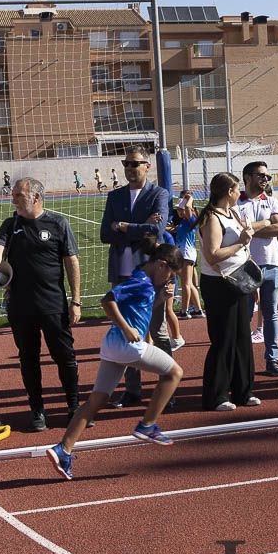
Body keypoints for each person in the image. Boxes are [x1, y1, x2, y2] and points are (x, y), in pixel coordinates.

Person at [46, 236, 186, 480]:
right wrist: (125, 328)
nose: (171, 279)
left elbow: (142, 309)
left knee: (95, 402)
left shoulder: (146, 281)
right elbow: (108, 300)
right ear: (162, 264)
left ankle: (63, 449)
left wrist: (162, 298)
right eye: (171, 274)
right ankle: (148, 425)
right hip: (126, 345)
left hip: (113, 348)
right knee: (175, 373)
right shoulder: (141, 281)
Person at [0, 178, 82, 432]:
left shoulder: (58, 224)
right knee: (29, 360)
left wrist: (76, 300)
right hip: (21, 307)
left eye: (18, 195)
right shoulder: (10, 224)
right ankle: (37, 411)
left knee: (65, 357)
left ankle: (74, 407)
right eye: (13, 195)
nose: (13, 200)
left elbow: (72, 262)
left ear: (35, 197)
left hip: (53, 305)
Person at [100, 146, 171, 407]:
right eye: (126, 164)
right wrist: (139, 228)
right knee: (129, 330)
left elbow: (157, 229)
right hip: (123, 267)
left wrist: (123, 226)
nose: (130, 168)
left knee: (158, 330)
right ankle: (132, 390)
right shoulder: (115, 196)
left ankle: (167, 385)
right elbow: (105, 234)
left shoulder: (159, 194)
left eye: (135, 164)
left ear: (147, 166)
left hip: (152, 270)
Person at [197, 172, 260, 410]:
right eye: (236, 190)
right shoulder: (212, 217)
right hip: (220, 284)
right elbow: (212, 254)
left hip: (239, 281)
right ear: (227, 192)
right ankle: (217, 395)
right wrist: (241, 242)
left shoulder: (232, 213)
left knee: (243, 337)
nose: (239, 194)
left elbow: (243, 247)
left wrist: (251, 282)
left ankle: (243, 392)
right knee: (223, 339)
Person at [237, 161, 278, 376]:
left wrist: (250, 229)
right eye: (261, 175)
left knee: (270, 313)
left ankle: (272, 360)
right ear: (247, 177)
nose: (266, 179)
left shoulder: (273, 201)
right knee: (244, 314)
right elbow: (236, 228)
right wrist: (265, 224)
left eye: (268, 176)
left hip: (270, 263)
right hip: (244, 265)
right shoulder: (235, 202)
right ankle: (242, 360)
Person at [172, 192, 203, 318]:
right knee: (188, 283)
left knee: (185, 283)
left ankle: (185, 310)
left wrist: (189, 199)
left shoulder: (191, 220)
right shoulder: (183, 222)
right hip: (182, 254)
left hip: (187, 254)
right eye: (178, 209)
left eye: (181, 209)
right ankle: (198, 309)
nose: (179, 211)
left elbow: (188, 208)